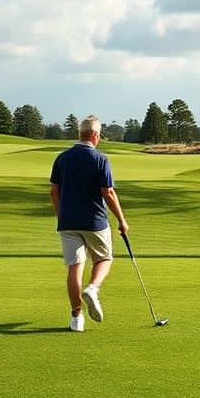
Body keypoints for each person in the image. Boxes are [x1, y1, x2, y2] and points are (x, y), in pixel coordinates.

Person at [49, 115, 129, 332]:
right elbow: (108, 192)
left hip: (67, 222)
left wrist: (61, 215)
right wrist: (121, 220)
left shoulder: (62, 158)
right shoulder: (100, 159)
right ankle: (93, 288)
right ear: (95, 135)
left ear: (79, 134)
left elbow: (54, 192)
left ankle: (76, 318)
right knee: (104, 257)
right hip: (94, 221)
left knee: (74, 268)